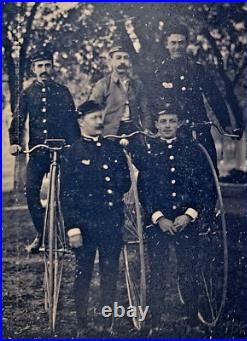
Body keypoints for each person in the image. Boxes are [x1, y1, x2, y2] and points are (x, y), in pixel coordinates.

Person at [134, 103, 215, 336]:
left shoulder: (192, 150)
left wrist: (189, 215)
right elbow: (144, 189)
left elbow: (203, 185)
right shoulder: (149, 153)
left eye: (172, 120)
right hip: (158, 223)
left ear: (179, 123)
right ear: (156, 125)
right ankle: (155, 321)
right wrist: (158, 217)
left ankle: (192, 319)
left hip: (186, 221)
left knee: (189, 270)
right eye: (163, 121)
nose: (167, 125)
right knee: (157, 271)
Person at [60, 100, 131, 337]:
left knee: (110, 274)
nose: (100, 121)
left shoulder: (113, 149)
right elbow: (67, 195)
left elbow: (124, 183)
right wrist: (73, 229)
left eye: (101, 117)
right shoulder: (72, 152)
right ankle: (82, 324)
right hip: (85, 226)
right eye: (94, 118)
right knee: (83, 274)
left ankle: (106, 323)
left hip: (110, 223)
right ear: (81, 121)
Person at [8, 48, 80, 253]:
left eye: (47, 65)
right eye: (40, 66)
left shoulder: (62, 91)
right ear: (33, 69)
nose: (44, 70)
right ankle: (43, 233)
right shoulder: (27, 93)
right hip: (39, 151)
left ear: (52, 66)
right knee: (30, 192)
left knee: (68, 193)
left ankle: (71, 233)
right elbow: (18, 120)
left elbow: (72, 122)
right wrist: (15, 142)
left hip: (63, 150)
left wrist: (76, 147)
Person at [149, 23, 243, 167]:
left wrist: (226, 124)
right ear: (167, 45)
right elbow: (153, 101)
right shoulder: (159, 71)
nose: (177, 47)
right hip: (173, 131)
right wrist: (153, 128)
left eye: (181, 42)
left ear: (186, 44)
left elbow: (214, 96)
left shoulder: (197, 69)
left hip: (199, 127)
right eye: (173, 43)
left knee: (208, 168)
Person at [90, 45, 153, 137]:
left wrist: (146, 128)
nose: (122, 62)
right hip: (110, 133)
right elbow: (92, 110)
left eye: (126, 58)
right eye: (118, 58)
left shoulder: (137, 84)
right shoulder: (103, 84)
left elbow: (145, 111)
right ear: (111, 61)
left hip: (133, 130)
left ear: (130, 62)